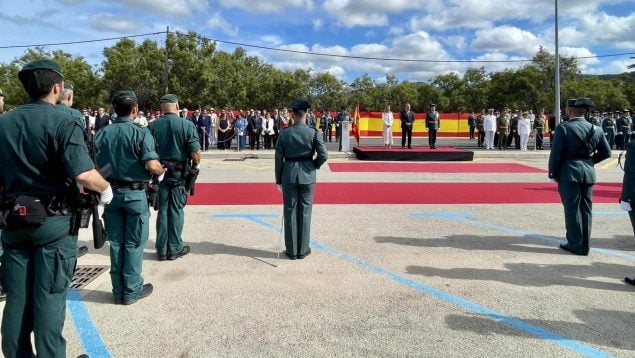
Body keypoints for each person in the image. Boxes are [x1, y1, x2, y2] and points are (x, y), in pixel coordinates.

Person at [0, 59, 112, 358]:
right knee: (49, 298)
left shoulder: (4, 122)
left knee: (17, 300)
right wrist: (105, 189)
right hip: (53, 224)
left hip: (12, 220)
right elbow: (83, 173)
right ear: (57, 88)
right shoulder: (64, 119)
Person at [95, 90, 163, 305]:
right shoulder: (140, 133)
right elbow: (152, 164)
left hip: (111, 193)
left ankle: (118, 290)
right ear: (134, 109)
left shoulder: (102, 133)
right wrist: (161, 172)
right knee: (134, 243)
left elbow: (94, 164)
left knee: (116, 243)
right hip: (134, 195)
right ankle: (131, 290)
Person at [548, 98, 611, 256]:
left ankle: (575, 244)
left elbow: (556, 155)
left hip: (569, 173)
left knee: (572, 208)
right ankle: (585, 245)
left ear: (569, 111)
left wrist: (552, 173)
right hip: (588, 173)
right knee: (586, 209)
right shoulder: (596, 129)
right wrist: (589, 161)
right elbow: (607, 152)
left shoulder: (564, 128)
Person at [150, 94, 201, 261]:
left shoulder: (153, 126)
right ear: (177, 106)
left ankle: (162, 249)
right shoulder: (187, 125)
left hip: (160, 173)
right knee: (176, 210)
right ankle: (175, 248)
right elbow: (195, 153)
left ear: (161, 108)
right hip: (180, 174)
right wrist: (197, 166)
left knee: (163, 210)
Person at [275, 100, 328, 259]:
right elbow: (324, 155)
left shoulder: (284, 133)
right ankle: (303, 249)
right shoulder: (313, 133)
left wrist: (279, 179)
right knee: (305, 212)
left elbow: (278, 158)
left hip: (289, 175)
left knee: (290, 211)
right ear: (306, 114)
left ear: (292, 114)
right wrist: (313, 165)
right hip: (307, 174)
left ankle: (291, 251)